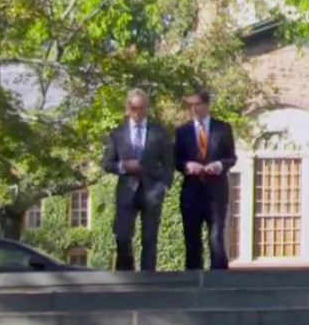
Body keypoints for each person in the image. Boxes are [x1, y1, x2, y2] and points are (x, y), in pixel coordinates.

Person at [100, 88, 173, 271]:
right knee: (123, 236)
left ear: (147, 108)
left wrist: (163, 187)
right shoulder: (117, 134)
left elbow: (169, 163)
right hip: (127, 191)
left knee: (149, 238)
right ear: (128, 108)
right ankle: (127, 275)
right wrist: (123, 166)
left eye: (141, 108)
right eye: (134, 108)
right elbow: (107, 163)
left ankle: (148, 278)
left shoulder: (159, 132)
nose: (137, 112)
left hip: (151, 191)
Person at [174, 89, 237, 270]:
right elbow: (175, 160)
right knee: (192, 238)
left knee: (216, 238)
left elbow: (231, 158)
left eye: (197, 104)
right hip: (192, 192)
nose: (194, 109)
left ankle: (219, 281)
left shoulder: (223, 129)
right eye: (190, 105)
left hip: (216, 191)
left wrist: (218, 165)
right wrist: (187, 166)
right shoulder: (182, 131)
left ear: (206, 105)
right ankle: (193, 279)